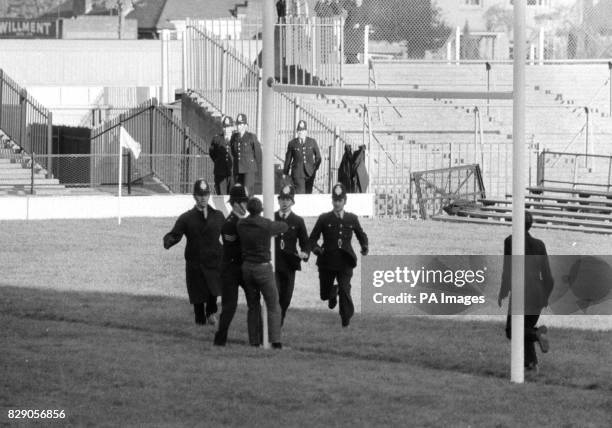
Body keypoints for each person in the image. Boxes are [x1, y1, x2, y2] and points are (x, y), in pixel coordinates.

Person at [498, 211, 554, 374]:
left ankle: (538, 335)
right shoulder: (539, 244)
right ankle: (531, 364)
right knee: (525, 327)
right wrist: (545, 297)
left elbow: (508, 270)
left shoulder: (510, 241)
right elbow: (548, 276)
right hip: (538, 292)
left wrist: (503, 291)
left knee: (512, 330)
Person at [163, 179, 225, 326]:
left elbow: (228, 234)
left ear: (209, 195)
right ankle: (199, 320)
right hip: (195, 261)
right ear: (194, 196)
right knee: (198, 294)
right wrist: (169, 240)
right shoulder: (187, 218)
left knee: (213, 290)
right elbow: (175, 234)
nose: (203, 198)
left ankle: (210, 312)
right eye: (199, 195)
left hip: (214, 260)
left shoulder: (218, 216)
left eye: (205, 194)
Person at [309, 182, 368, 327]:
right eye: (335, 200)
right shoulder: (324, 218)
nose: (337, 203)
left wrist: (364, 246)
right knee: (324, 295)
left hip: (345, 261)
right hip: (327, 260)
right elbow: (312, 239)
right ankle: (332, 291)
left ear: (345, 201)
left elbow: (361, 235)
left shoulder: (352, 218)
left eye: (340, 200)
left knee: (345, 289)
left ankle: (345, 321)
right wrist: (316, 249)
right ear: (332, 201)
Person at [237, 197, 288, 349]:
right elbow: (283, 226)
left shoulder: (241, 224)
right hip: (263, 269)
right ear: (260, 210)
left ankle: (254, 341)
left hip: (247, 268)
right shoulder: (266, 225)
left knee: (253, 306)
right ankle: (276, 341)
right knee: (273, 304)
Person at [214, 184, 262, 346]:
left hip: (245, 269)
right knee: (230, 307)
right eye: (244, 202)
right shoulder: (229, 224)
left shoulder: (246, 221)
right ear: (235, 204)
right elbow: (235, 250)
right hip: (231, 270)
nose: (247, 205)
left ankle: (256, 341)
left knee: (254, 302)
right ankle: (220, 340)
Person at [274, 185, 310, 324]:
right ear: (278, 201)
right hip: (275, 263)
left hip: (290, 265)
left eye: (287, 199)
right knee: (275, 295)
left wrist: (305, 253)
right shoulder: (272, 217)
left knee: (286, 298)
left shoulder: (297, 221)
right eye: (282, 199)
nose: (284, 202)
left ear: (292, 202)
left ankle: (280, 320)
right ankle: (275, 324)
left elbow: (305, 242)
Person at [283, 120, 322, 194]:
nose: (300, 132)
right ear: (297, 132)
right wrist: (285, 172)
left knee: (308, 193)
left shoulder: (312, 142)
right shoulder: (292, 143)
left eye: (303, 130)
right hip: (297, 173)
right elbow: (288, 159)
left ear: (306, 132)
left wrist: (314, 168)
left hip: (310, 173)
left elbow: (318, 157)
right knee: (300, 193)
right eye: (299, 130)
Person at [230, 113, 262, 195]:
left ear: (245, 125)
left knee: (248, 192)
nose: (238, 126)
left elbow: (258, 154)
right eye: (237, 124)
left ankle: (249, 208)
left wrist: (257, 168)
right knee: (238, 193)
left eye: (240, 124)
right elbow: (233, 152)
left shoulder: (251, 137)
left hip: (249, 169)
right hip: (238, 169)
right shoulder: (234, 137)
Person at [209, 116, 234, 195]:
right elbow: (212, 153)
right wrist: (219, 162)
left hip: (232, 173)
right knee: (221, 197)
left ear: (232, 127)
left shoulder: (237, 139)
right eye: (225, 126)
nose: (226, 129)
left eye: (228, 126)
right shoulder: (216, 139)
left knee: (233, 197)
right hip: (220, 173)